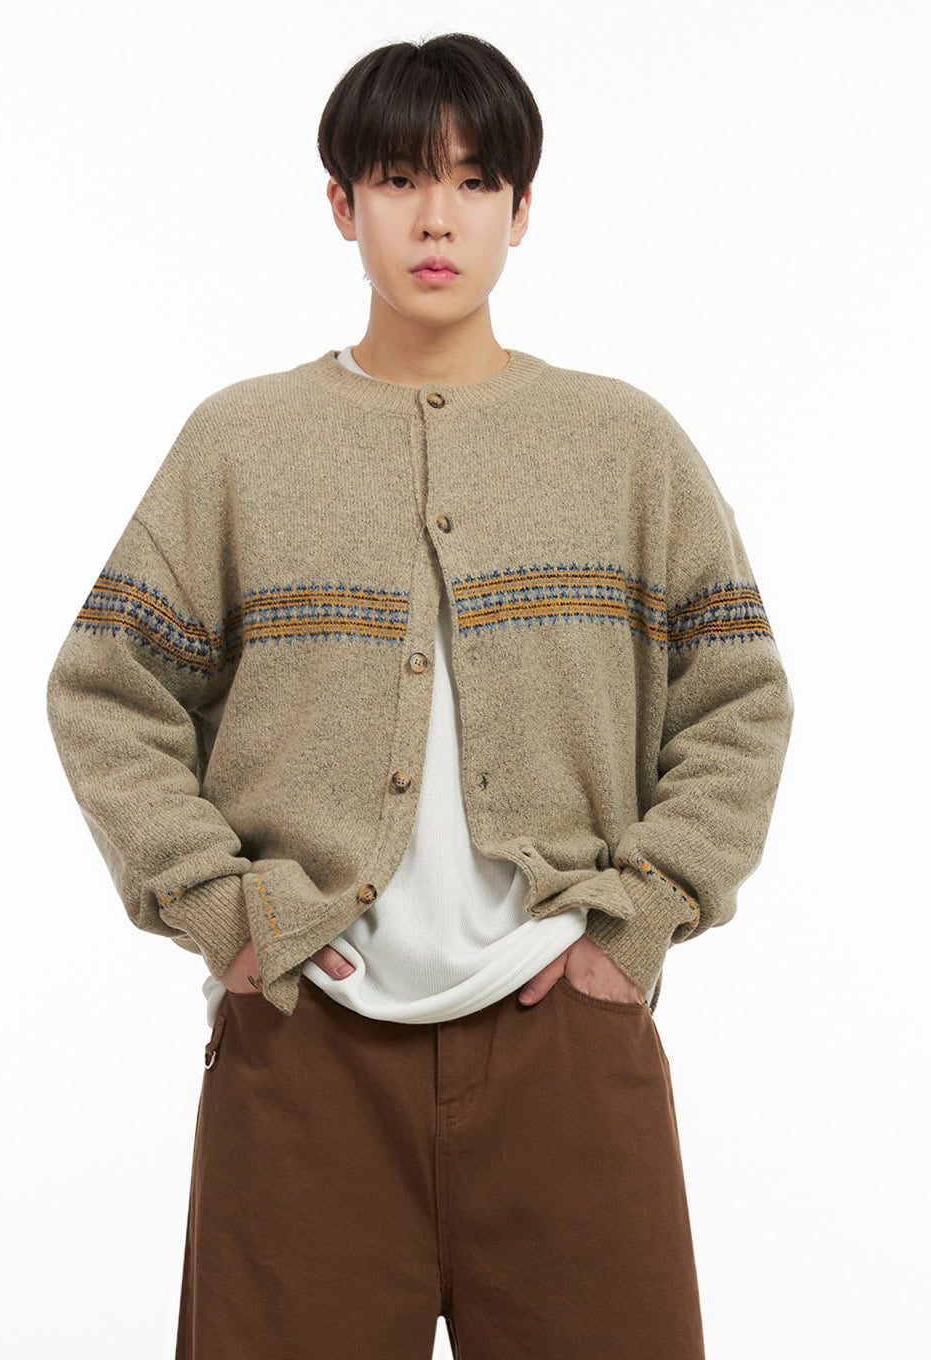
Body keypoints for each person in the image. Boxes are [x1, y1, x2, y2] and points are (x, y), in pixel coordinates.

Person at [46, 31, 794, 1360]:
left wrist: (643, 915)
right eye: (398, 179)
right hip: (306, 1049)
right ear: (342, 205)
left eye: (473, 180)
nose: (436, 217)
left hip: (567, 1046)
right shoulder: (242, 445)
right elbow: (108, 689)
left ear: (522, 208)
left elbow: (737, 693)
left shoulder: (624, 444)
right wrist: (224, 911)